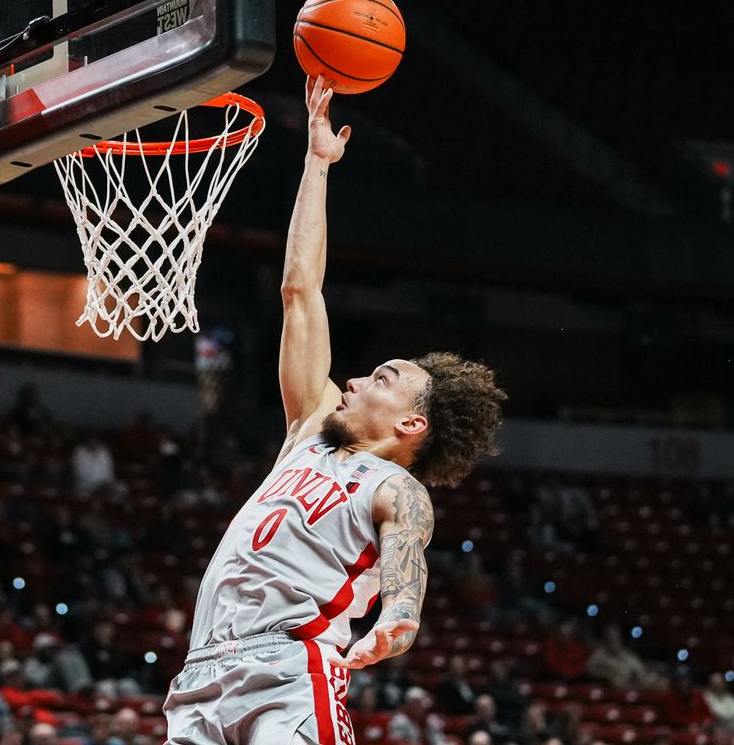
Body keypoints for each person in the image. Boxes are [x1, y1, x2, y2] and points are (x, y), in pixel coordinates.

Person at [163, 77, 507, 744]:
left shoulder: (396, 488)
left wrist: (400, 616)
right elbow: (300, 290)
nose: (351, 380)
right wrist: (316, 165)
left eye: (380, 378)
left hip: (288, 676)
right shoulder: (310, 430)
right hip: (201, 677)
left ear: (413, 424)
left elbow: (408, 555)